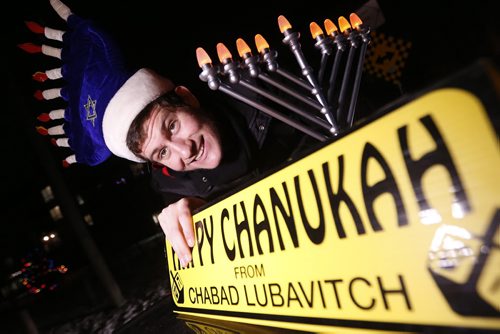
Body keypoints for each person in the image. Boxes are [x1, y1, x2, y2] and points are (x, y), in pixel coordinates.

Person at [21, 0, 321, 268]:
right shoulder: (174, 187)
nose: (184, 150)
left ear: (187, 97)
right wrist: (199, 217)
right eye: (162, 153)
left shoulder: (273, 91)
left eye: (172, 126)